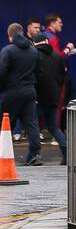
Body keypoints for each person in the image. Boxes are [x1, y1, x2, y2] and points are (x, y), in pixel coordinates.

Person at [0, 23, 42, 165]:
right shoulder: (33, 51)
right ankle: (34, 155)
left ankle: (2, 155)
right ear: (22, 32)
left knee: (5, 125)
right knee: (31, 123)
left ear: (9, 35)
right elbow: (39, 71)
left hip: (11, 92)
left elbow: (2, 72)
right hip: (29, 92)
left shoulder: (8, 51)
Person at [32, 33, 70, 163]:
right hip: (54, 97)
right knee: (54, 128)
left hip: (38, 98)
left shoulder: (35, 55)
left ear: (34, 43)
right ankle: (66, 152)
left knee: (34, 127)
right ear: (46, 41)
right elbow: (63, 76)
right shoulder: (57, 56)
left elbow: (34, 76)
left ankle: (35, 156)